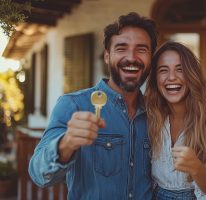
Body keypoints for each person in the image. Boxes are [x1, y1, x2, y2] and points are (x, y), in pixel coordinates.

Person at [29, 12, 158, 200]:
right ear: (107, 56)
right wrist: (67, 143)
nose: (131, 57)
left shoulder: (157, 112)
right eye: (121, 48)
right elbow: (38, 175)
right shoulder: (74, 104)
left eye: (142, 49)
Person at [145, 41, 206, 199]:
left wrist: (196, 167)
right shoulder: (150, 113)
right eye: (163, 70)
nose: (171, 77)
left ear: (191, 74)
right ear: (155, 79)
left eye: (180, 69)